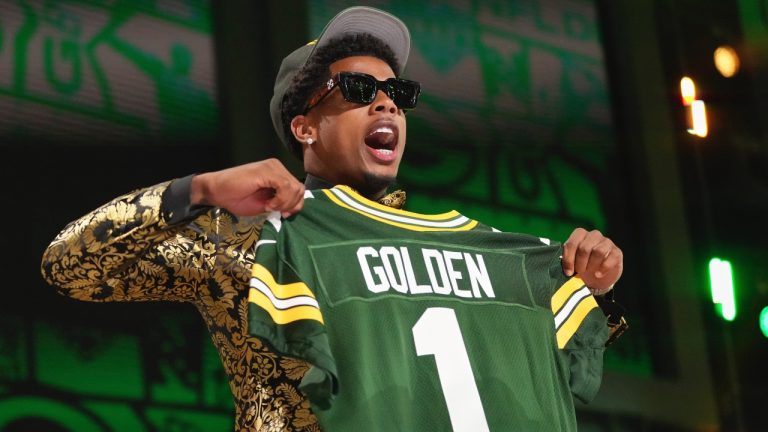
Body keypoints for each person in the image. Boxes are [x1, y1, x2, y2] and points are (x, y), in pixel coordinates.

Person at [41, 6, 624, 431]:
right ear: (305, 127)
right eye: (357, 88)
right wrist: (204, 188)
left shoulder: (470, 251)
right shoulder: (253, 239)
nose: (386, 101)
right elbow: (70, 265)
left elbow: (537, 374)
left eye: (396, 90)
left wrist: (591, 289)